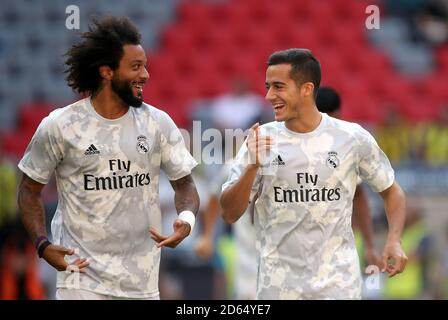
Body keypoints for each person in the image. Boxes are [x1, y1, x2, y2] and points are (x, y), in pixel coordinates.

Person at [17, 16, 199, 300]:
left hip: (142, 283)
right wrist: (42, 244)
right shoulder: (60, 126)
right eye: (136, 67)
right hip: (82, 279)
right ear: (107, 72)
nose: (146, 75)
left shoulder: (158, 123)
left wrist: (186, 219)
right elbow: (29, 190)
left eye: (146, 65)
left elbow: (185, 183)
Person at [220, 48, 408, 299]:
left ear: (306, 89)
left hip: (338, 286)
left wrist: (394, 240)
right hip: (279, 287)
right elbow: (229, 213)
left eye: (278, 87)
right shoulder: (260, 140)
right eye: (267, 86)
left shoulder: (352, 138)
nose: (268, 96)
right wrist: (252, 167)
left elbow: (392, 191)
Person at [316, 86, 381, 269]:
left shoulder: (342, 148)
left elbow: (359, 195)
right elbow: (360, 195)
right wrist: (369, 243)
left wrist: (368, 244)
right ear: (337, 113)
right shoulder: (345, 147)